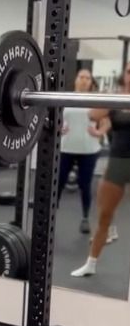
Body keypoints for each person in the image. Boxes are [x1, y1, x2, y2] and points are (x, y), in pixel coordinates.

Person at [72, 65, 130, 277]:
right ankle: (91, 264)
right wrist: (104, 97)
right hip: (118, 161)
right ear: (124, 75)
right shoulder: (116, 99)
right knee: (104, 215)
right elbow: (93, 114)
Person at [57, 69, 104, 234]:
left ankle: (85, 218)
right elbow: (55, 118)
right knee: (58, 182)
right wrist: (58, 127)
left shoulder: (96, 100)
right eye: (81, 77)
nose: (84, 80)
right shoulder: (66, 98)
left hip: (89, 149)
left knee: (85, 185)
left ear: (91, 82)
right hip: (66, 147)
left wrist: (100, 132)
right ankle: (50, 214)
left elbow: (106, 120)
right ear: (76, 80)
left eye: (87, 78)